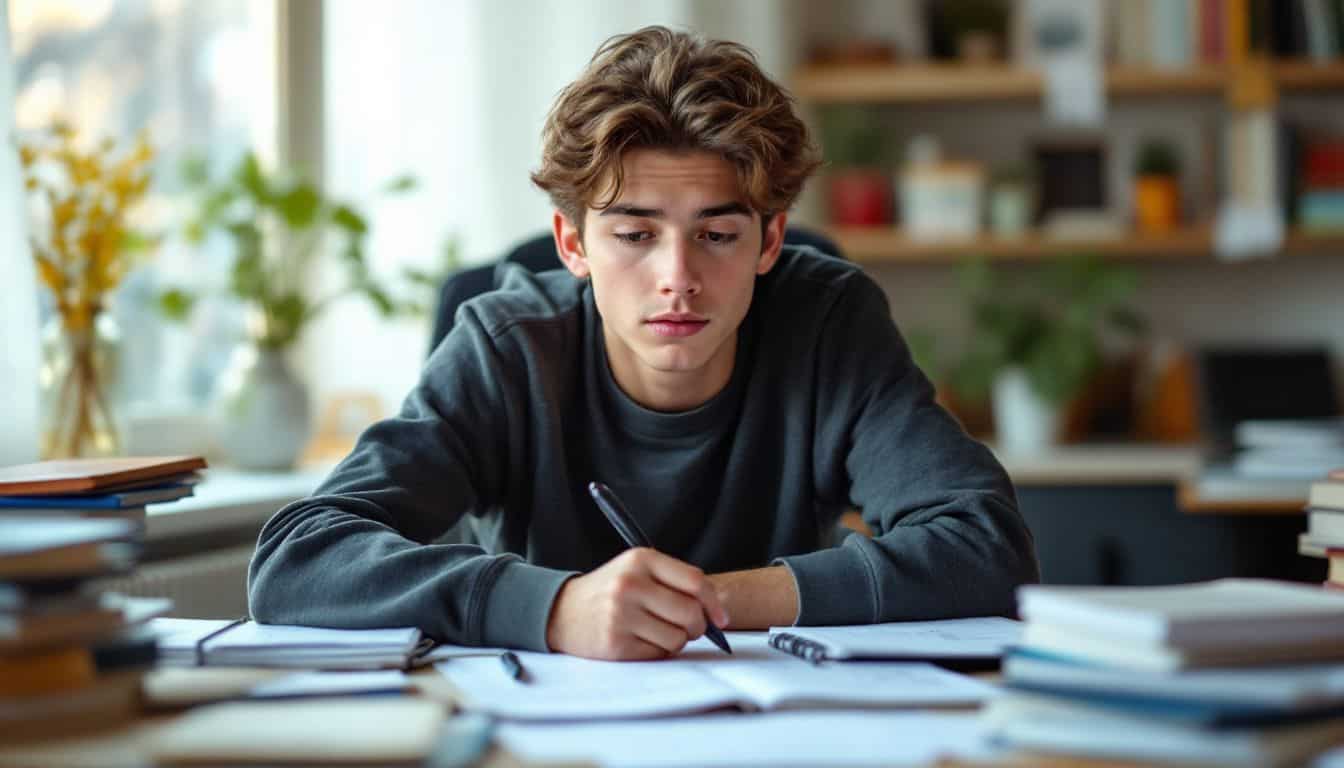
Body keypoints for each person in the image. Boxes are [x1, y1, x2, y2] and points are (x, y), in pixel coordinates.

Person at [248, 26, 1039, 661]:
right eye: (634, 234)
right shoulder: (506, 346)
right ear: (572, 244)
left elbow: (988, 546)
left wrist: (711, 602)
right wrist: (556, 608)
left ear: (770, 242)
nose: (678, 278)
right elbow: (298, 559)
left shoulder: (827, 324)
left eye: (718, 235)